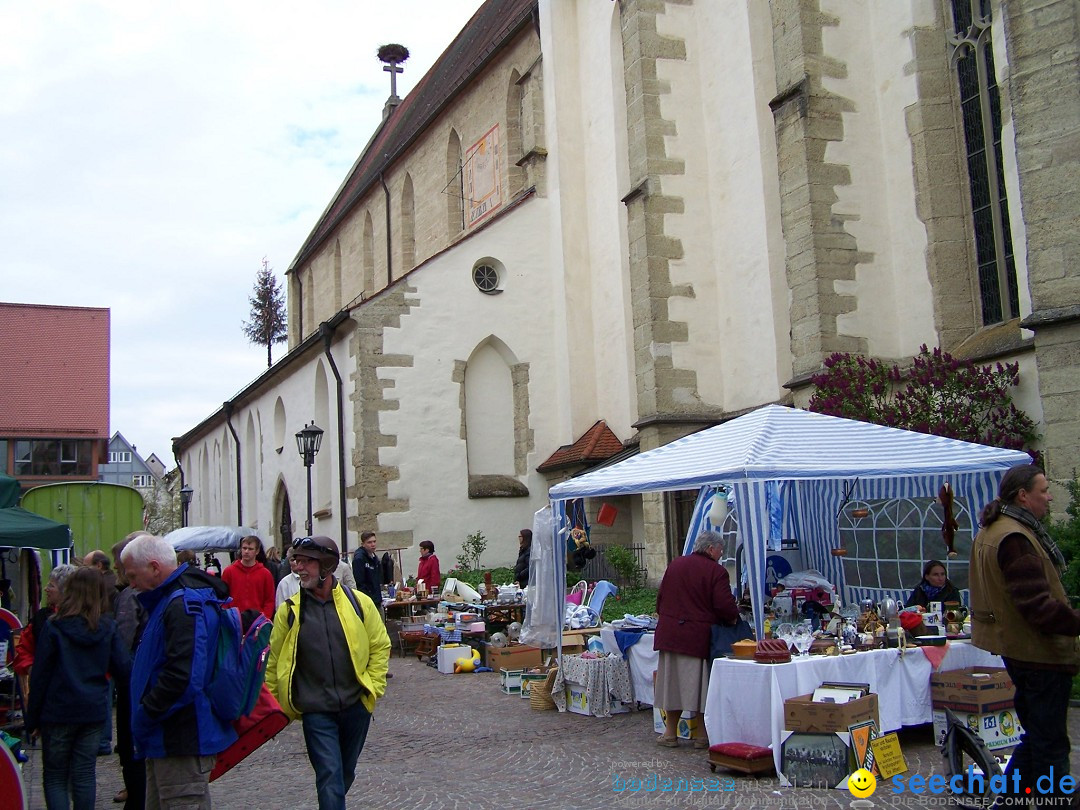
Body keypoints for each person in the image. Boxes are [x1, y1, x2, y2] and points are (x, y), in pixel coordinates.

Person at [970, 464, 1080, 806]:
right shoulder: (1013, 537)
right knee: (1050, 746)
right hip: (1038, 654)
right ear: (1023, 495)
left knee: (1037, 738)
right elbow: (1038, 608)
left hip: (1023, 651)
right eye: (1043, 490)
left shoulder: (997, 530)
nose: (1048, 497)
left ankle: (1008, 803)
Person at [266, 535, 390, 810]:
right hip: (315, 710)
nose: (298, 568)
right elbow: (274, 662)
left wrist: (373, 687)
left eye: (306, 562)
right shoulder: (289, 612)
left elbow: (380, 646)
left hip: (355, 705)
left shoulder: (360, 604)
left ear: (326, 567)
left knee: (344, 774)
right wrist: (273, 711)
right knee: (329, 775)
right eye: (297, 561)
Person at [121, 534, 237, 809]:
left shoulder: (184, 603)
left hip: (180, 737)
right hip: (167, 737)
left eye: (132, 575)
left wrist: (146, 714)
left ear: (153, 567)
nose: (130, 584)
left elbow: (183, 677)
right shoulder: (172, 599)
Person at [25, 567, 131, 810]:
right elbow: (124, 670)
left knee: (55, 776)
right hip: (92, 711)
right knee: (84, 773)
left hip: (58, 710)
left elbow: (40, 675)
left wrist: (33, 719)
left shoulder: (55, 627)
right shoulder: (107, 627)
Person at [652, 530, 738, 749]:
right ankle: (701, 735)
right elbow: (723, 605)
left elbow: (661, 598)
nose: (721, 554)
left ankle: (670, 733)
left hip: (671, 633)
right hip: (697, 636)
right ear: (711, 549)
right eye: (720, 550)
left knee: (672, 685)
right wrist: (734, 619)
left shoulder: (676, 564)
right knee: (700, 687)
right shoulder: (716, 571)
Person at [111, 532, 151, 810]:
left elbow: (123, 643)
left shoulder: (130, 595)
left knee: (132, 748)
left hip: (135, 681)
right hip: (148, 678)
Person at [12, 563, 78, 681]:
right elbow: (23, 648)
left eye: (51, 586)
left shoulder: (85, 618)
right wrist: (31, 668)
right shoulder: (41, 618)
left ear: (66, 591)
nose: (46, 589)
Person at [220, 535, 276, 619]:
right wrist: (227, 616)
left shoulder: (265, 574)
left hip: (257, 621)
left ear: (257, 551)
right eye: (244, 548)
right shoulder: (229, 571)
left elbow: (269, 600)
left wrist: (265, 618)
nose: (246, 551)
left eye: (250, 549)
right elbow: (223, 596)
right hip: (234, 619)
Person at [352, 531, 382, 607]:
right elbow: (359, 583)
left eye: (374, 541)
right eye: (369, 542)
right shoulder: (359, 558)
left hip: (377, 600)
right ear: (363, 544)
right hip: (367, 602)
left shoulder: (374, 557)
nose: (373, 544)